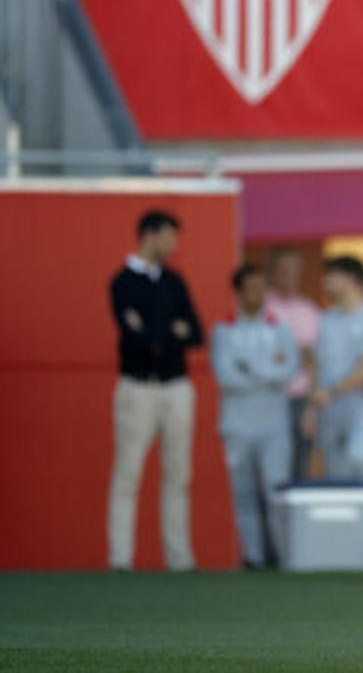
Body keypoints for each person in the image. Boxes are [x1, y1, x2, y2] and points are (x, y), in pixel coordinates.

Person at [107, 209, 204, 571]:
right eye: (169, 236)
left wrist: (155, 331)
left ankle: (179, 558)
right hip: (138, 387)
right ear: (149, 235)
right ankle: (120, 557)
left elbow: (195, 333)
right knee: (128, 472)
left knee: (179, 473)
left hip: (176, 387)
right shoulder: (123, 282)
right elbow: (134, 337)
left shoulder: (175, 282)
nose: (173, 245)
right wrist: (168, 331)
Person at [211, 265, 298, 569]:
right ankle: (254, 556)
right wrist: (266, 375)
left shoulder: (280, 328)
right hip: (237, 424)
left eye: (262, 288)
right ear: (238, 291)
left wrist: (251, 368)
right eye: (251, 288)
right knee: (243, 492)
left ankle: (284, 555)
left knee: (277, 489)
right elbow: (227, 378)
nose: (257, 295)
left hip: (274, 424)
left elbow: (287, 371)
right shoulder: (224, 330)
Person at [303, 256, 363, 481]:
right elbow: (317, 364)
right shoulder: (328, 319)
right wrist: (312, 405)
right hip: (329, 409)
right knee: (334, 472)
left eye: (332, 276)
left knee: (357, 463)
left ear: (351, 279)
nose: (325, 282)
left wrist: (331, 391)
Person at [265, 249, 321, 479]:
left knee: (301, 463)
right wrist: (299, 353)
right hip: (270, 398)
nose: (289, 276)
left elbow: (316, 359)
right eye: (283, 271)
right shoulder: (262, 308)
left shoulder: (309, 311)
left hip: (301, 399)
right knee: (272, 467)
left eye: (294, 271)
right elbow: (264, 356)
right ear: (272, 273)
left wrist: (312, 406)